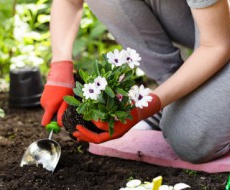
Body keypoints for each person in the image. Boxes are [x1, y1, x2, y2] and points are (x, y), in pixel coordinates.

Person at [40, 0, 230, 164]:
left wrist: (145, 108)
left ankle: (178, 107)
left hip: (218, 35)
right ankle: (174, 99)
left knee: (190, 140)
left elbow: (216, 45)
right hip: (210, 19)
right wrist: (60, 67)